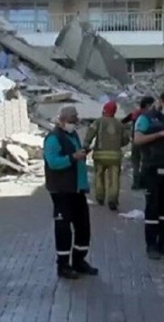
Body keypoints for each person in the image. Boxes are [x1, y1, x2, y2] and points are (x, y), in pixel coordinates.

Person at [43, 105, 99, 279]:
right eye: (71, 122)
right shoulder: (53, 138)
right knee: (63, 229)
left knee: (83, 227)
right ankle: (63, 265)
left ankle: (79, 261)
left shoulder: (72, 135)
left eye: (75, 122)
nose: (74, 125)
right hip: (61, 190)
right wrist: (72, 158)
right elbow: (53, 162)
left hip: (76, 189)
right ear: (62, 121)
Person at [134, 92, 164, 260]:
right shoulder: (146, 118)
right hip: (152, 167)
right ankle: (151, 245)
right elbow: (138, 140)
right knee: (153, 207)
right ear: (160, 102)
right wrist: (160, 134)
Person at [85, 100, 130, 211]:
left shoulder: (98, 122)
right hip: (115, 156)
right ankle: (112, 200)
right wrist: (117, 143)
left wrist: (85, 145)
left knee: (99, 175)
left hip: (100, 155)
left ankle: (100, 197)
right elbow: (126, 139)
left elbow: (90, 134)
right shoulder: (120, 124)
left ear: (104, 110)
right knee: (114, 178)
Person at [123, 96, 155, 190]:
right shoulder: (149, 114)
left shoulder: (135, 113)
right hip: (146, 141)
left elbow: (123, 121)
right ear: (148, 104)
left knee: (135, 162)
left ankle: (136, 183)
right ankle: (144, 182)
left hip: (135, 141)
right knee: (145, 161)